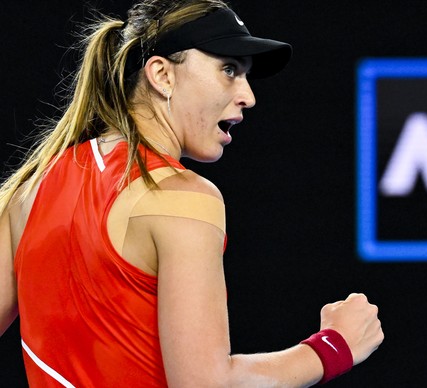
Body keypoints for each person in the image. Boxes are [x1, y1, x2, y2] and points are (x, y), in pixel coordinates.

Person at [0, 0, 384, 386]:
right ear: (162, 75)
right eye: (229, 69)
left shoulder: (29, 189)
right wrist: (334, 346)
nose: (248, 96)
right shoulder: (182, 197)